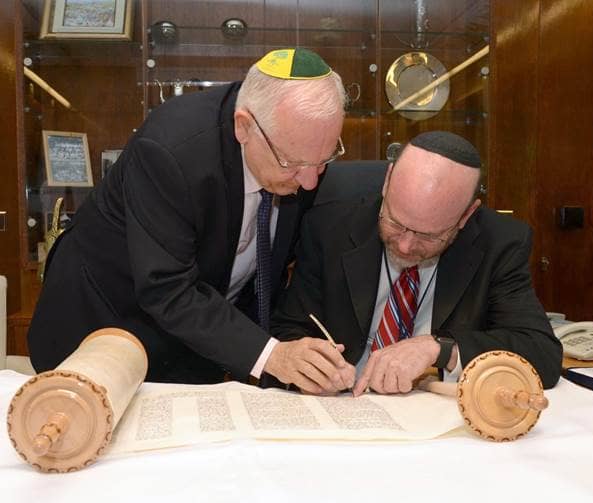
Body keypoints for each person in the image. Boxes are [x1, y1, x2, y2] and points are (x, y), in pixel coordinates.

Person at [28, 48, 355, 391]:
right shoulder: (170, 151)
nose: (309, 182)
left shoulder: (298, 150)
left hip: (195, 340)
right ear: (244, 127)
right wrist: (271, 355)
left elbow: (266, 273)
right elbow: (167, 287)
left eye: (323, 160)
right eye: (291, 163)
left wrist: (292, 351)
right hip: (103, 324)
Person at [270, 131, 563, 395]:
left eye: (430, 235)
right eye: (395, 222)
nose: (406, 245)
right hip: (345, 405)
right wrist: (307, 362)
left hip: (435, 418)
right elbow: (288, 330)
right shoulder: (328, 229)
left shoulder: (500, 243)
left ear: (466, 215)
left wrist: (441, 349)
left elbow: (542, 356)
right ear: (387, 183)